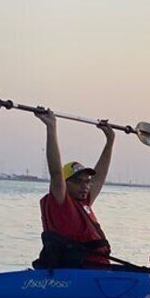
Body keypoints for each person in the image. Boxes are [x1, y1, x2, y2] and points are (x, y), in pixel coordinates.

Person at [32, 109, 115, 269]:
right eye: (78, 182)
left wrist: (110, 141)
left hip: (99, 271)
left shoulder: (84, 202)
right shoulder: (61, 203)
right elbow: (56, 172)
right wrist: (51, 128)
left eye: (87, 182)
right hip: (79, 272)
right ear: (65, 183)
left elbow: (99, 177)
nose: (85, 186)